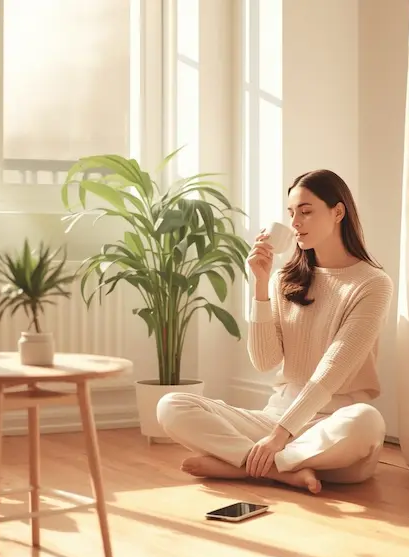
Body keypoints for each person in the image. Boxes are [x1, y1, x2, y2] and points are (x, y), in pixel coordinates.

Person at [156, 169, 393, 494]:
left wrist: (278, 438)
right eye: (291, 213)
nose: (295, 222)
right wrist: (261, 285)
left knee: (366, 422)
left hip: (332, 426)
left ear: (338, 212)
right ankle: (283, 471)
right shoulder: (285, 278)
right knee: (171, 405)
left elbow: (331, 373)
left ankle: (243, 466)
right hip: (277, 416)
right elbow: (265, 361)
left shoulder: (373, 284)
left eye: (306, 212)